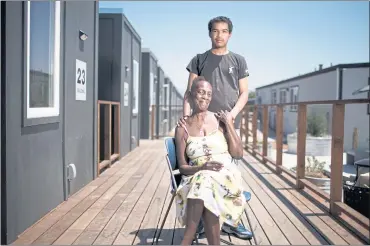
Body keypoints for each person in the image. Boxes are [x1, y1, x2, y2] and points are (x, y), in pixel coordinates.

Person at [178, 16, 252, 239]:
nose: (219, 35)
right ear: (209, 33)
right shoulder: (199, 59)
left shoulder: (238, 61)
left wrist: (231, 116)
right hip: (199, 124)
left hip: (224, 123)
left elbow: (245, 93)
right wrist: (185, 120)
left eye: (224, 31)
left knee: (229, 166)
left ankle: (232, 220)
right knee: (200, 166)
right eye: (215, 31)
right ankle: (201, 217)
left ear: (230, 34)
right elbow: (189, 92)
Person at [175, 77, 247, 245]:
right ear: (192, 95)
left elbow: (238, 153)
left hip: (226, 177)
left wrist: (228, 123)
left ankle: (186, 240)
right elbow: (183, 168)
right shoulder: (182, 127)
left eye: (209, 94)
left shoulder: (219, 120)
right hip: (196, 178)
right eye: (201, 92)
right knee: (206, 182)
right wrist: (202, 167)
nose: (205, 97)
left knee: (206, 183)